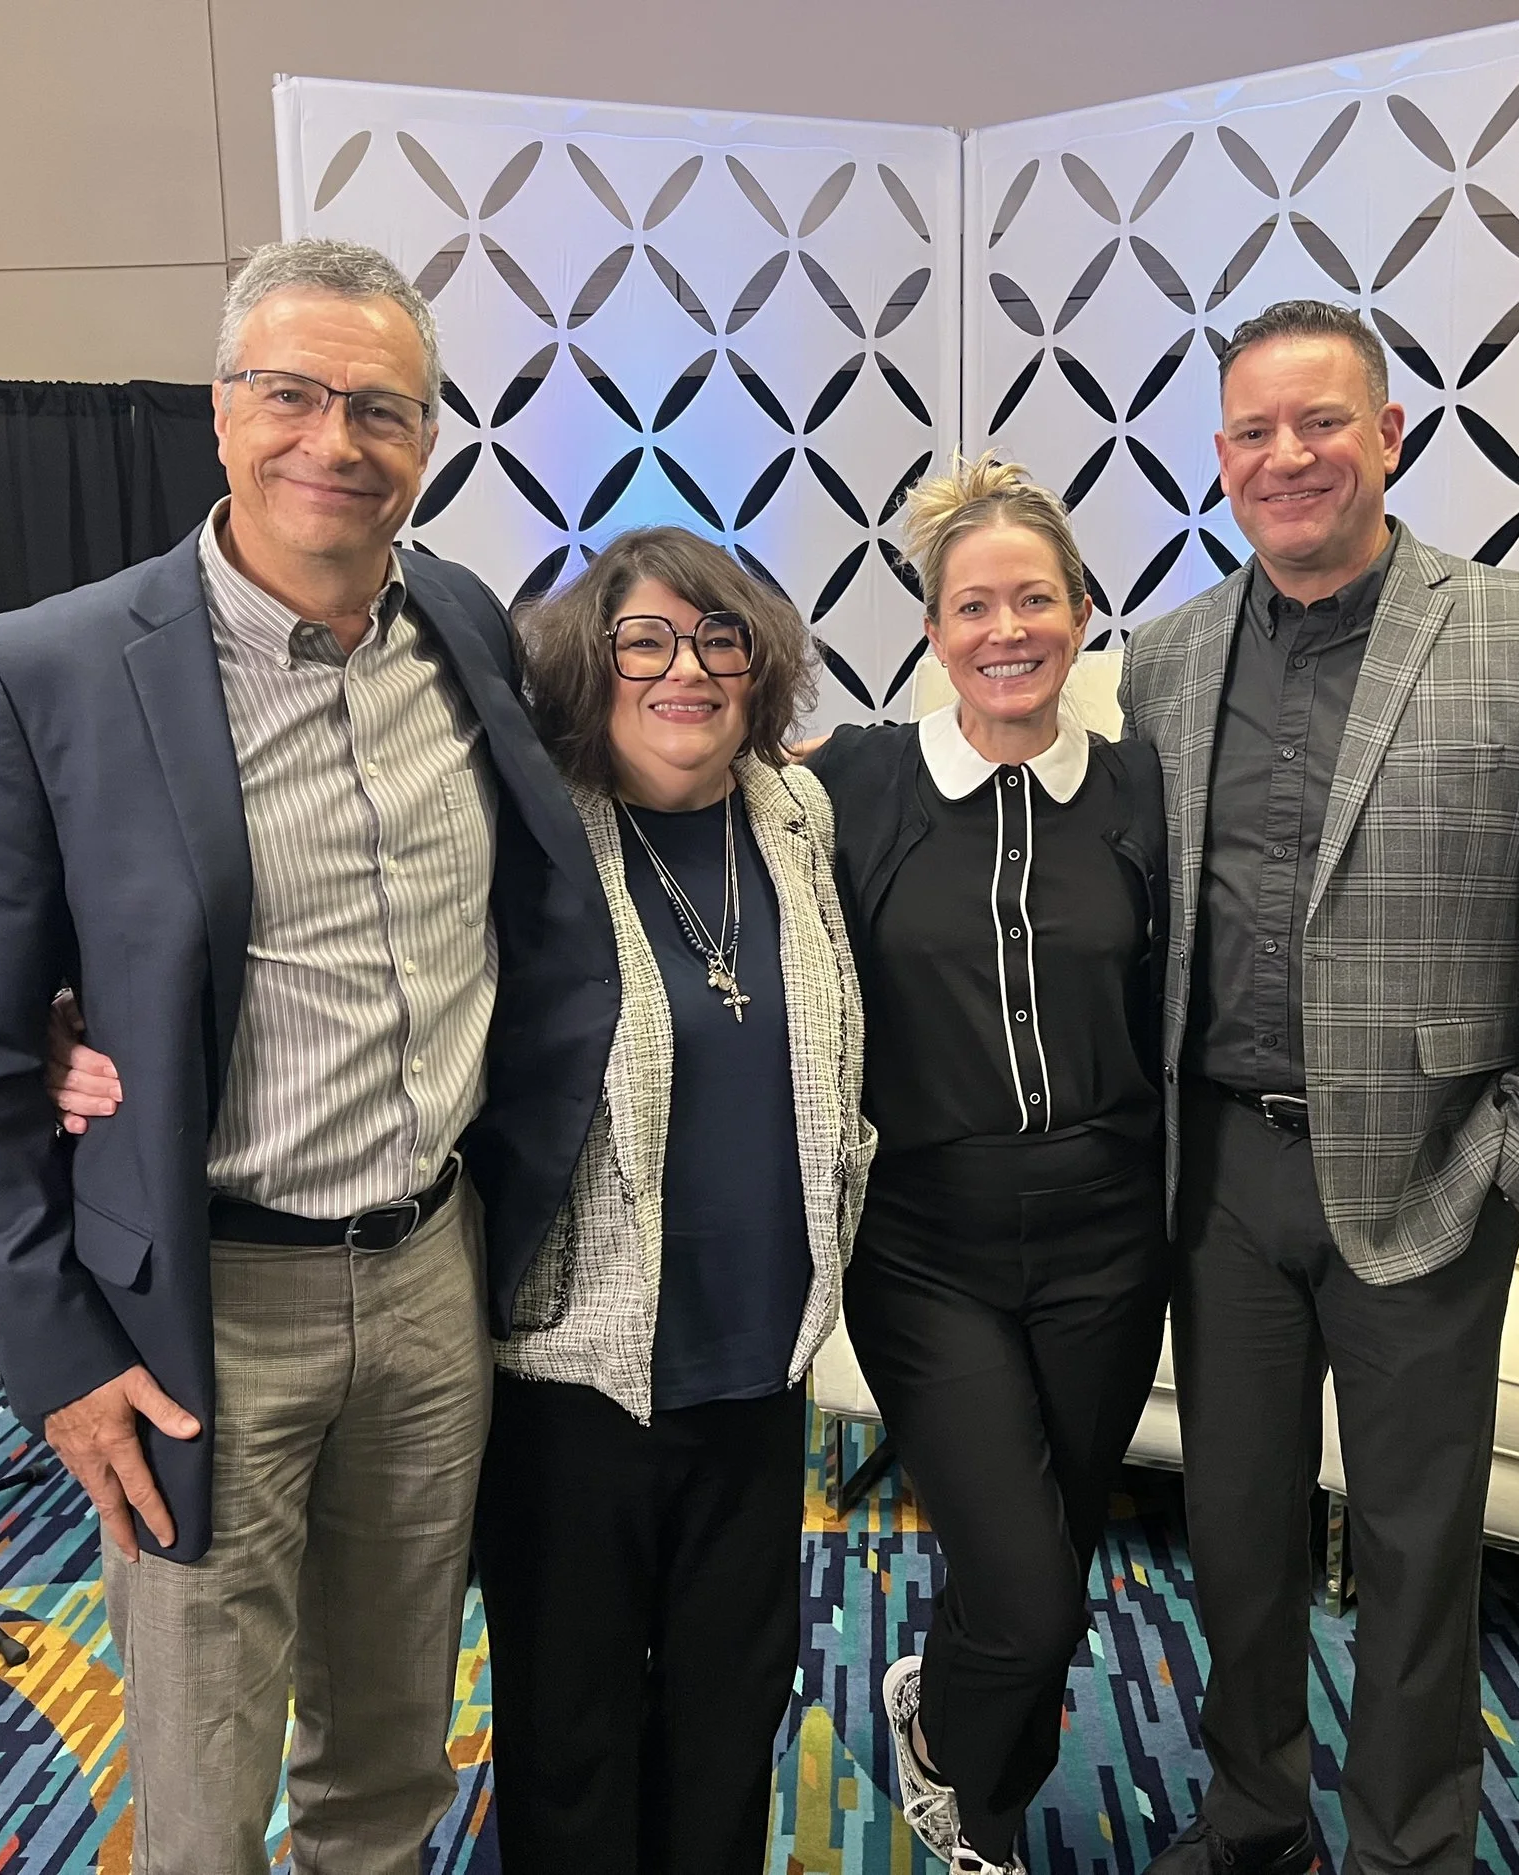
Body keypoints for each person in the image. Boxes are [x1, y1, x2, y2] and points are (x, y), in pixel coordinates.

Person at [0, 238, 615, 1875]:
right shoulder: (42, 673)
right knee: (207, 1773)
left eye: (380, 406)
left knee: (391, 1739)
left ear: (426, 441)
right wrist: (61, 1358)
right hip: (203, 1309)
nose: (333, 439)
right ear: (221, 414)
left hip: (434, 1273)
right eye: (289, 392)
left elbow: (535, 902)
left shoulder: (458, 621)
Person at [1126, 300, 1519, 1875]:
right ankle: (1253, 1804)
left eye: (1319, 423)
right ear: (1220, 460)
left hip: (1430, 1168)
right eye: (1253, 432)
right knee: (1236, 1531)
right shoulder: (1164, 656)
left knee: (1421, 1546)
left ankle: (1408, 1844)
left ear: (1387, 436)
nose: (1286, 456)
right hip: (1217, 1173)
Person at [475, 525, 869, 1873]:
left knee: (726, 1722)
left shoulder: (796, 823)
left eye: (719, 640)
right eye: (645, 639)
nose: (682, 669)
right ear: (596, 664)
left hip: (756, 1373)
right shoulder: (528, 841)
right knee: (571, 1738)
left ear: (760, 670)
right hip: (569, 1383)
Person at [807, 456, 1171, 1875]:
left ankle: (980, 1787)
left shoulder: (1144, 793)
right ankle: (955, 1754)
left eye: (1037, 597)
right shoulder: (848, 787)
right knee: (1025, 1594)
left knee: (1055, 1553)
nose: (1007, 627)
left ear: (1083, 611)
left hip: (1106, 1238)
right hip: (924, 1246)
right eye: (974, 605)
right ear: (931, 628)